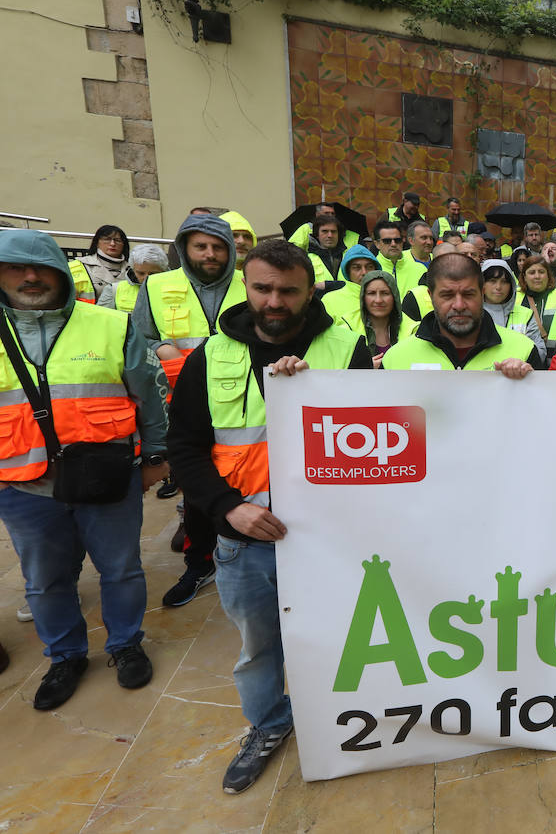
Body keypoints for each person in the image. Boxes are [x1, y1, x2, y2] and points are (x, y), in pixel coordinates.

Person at [167, 240, 370, 794]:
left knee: (342, 638)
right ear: (247, 288)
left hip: (331, 540)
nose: (274, 300)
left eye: (287, 290)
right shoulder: (210, 357)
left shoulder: (345, 348)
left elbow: (379, 443)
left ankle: (344, 722)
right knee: (259, 646)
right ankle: (267, 726)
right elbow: (184, 447)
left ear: (310, 292)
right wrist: (228, 507)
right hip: (245, 538)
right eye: (263, 288)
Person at [0, 230, 169, 710]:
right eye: (16, 267)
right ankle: (65, 656)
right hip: (22, 486)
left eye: (42, 269)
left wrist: (157, 457)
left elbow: (149, 393)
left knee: (120, 570)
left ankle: (125, 645)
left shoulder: (111, 324)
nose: (31, 278)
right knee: (45, 580)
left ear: (62, 273)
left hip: (108, 475)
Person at [133, 214, 246, 603]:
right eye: (201, 246)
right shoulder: (158, 286)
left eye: (218, 247)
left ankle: (247, 556)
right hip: (186, 402)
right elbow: (137, 339)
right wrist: (159, 347)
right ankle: (199, 564)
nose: (210, 254)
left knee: (247, 482)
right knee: (196, 488)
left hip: (243, 403)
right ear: (184, 249)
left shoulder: (250, 281)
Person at [384, 254, 542, 374]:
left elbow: (541, 412)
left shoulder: (524, 351)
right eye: (447, 295)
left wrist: (528, 383)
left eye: (468, 294)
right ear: (430, 296)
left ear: (482, 293)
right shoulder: (395, 359)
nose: (459, 305)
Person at [481, 259, 545, 361]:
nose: (498, 287)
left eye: (504, 282)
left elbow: (540, 352)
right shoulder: (472, 314)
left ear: (511, 285)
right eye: (492, 281)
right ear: (482, 284)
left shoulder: (526, 314)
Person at [322, 244, 381, 332]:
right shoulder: (330, 300)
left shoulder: (386, 297)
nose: (364, 272)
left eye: (369, 267)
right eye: (357, 268)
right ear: (347, 272)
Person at [99, 243, 168, 313]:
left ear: (164, 270)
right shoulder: (114, 290)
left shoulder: (176, 288)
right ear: (132, 270)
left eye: (153, 274)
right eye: (141, 273)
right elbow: (101, 320)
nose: (146, 278)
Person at [358, 270, 406, 366]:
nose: (378, 300)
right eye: (371, 293)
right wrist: (365, 368)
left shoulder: (413, 330)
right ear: (363, 297)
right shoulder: (347, 328)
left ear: (394, 297)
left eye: (385, 293)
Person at [74, 225, 129, 300]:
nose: (112, 244)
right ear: (97, 242)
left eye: (117, 240)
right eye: (107, 239)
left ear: (124, 245)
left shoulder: (133, 269)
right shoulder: (79, 265)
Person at [518, 256, 556, 339]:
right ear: (524, 277)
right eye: (532, 272)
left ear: (548, 275)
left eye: (541, 272)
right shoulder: (514, 298)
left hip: (554, 350)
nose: (537, 276)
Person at [373, 221, 424, 297]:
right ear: (377, 244)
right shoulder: (371, 270)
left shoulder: (420, 269)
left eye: (397, 240)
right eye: (387, 241)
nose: (393, 244)